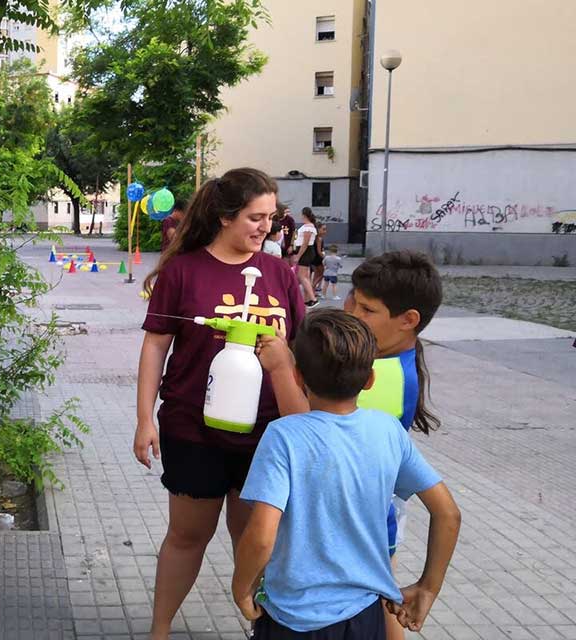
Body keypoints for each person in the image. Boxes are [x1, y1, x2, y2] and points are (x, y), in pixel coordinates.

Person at [136, 168, 307, 640]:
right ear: (224, 216)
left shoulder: (279, 274)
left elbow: (300, 351)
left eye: (271, 218)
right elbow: (155, 346)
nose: (265, 228)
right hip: (194, 428)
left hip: (268, 434)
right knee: (188, 537)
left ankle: (264, 630)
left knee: (253, 538)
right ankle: (160, 630)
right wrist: (143, 419)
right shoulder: (183, 271)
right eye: (255, 217)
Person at [233, 309, 461, 638]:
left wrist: (241, 587)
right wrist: (428, 587)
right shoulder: (387, 430)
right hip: (365, 617)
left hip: (292, 618)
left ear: (297, 376)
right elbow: (448, 514)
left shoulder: (283, 436)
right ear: (370, 378)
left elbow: (262, 535)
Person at [344, 250, 444, 640]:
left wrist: (285, 369)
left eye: (367, 310)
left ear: (408, 321)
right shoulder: (388, 361)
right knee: (381, 597)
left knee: (381, 605)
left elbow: (307, 423)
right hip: (375, 512)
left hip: (360, 519)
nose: (352, 315)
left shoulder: (377, 380)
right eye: (354, 302)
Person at [291, 208, 319, 307]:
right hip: (307, 252)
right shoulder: (308, 226)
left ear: (304, 215)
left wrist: (298, 255)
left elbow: (305, 243)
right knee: (305, 276)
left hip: (305, 252)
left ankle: (313, 298)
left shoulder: (308, 227)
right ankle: (307, 299)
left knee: (302, 276)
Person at [310, 223, 327, 294]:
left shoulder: (314, 237)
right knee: (323, 273)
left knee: (316, 274)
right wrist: (326, 258)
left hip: (313, 258)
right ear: (318, 229)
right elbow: (319, 251)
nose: (325, 231)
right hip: (318, 259)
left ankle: (313, 291)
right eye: (323, 229)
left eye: (325, 229)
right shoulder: (319, 238)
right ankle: (312, 288)